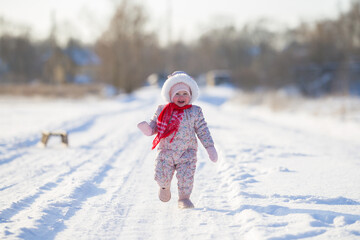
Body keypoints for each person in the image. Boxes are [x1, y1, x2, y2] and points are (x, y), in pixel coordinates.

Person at [137, 71, 218, 209]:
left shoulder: (195, 112)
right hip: (166, 151)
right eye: (177, 94)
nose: (181, 97)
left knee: (186, 177)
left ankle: (184, 198)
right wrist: (148, 129)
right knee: (162, 175)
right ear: (170, 95)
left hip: (187, 152)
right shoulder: (162, 110)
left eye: (185, 93)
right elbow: (154, 125)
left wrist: (210, 147)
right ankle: (164, 188)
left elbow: (203, 130)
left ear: (190, 95)